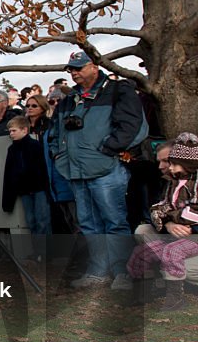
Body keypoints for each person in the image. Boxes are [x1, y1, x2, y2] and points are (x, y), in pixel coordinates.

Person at [48, 51, 146, 291]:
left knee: (114, 221)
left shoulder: (118, 90)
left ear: (94, 66)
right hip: (76, 171)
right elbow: (54, 131)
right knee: (89, 223)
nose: (73, 73)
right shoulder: (69, 100)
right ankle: (98, 271)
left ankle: (122, 272)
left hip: (106, 170)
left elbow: (133, 126)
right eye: (71, 69)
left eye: (78, 68)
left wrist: (108, 149)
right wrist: (57, 153)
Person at [127, 133, 198, 310]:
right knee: (141, 252)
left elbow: (192, 212)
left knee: (172, 252)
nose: (166, 167)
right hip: (180, 237)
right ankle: (143, 294)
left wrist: (172, 216)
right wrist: (169, 221)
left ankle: (176, 298)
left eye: (171, 162)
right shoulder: (172, 183)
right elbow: (158, 208)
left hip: (193, 238)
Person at [2, 117, 51, 237]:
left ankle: (45, 252)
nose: (11, 134)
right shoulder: (12, 149)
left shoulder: (35, 146)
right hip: (25, 190)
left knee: (42, 220)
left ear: (24, 130)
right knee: (31, 221)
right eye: (10, 131)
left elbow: (44, 168)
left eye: (14, 131)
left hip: (39, 188)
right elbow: (9, 174)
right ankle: (39, 251)